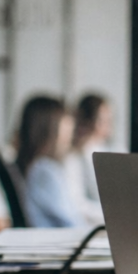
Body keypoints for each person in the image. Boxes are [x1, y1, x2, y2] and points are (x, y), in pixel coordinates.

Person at [16, 95, 84, 228]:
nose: (68, 143)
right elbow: (72, 225)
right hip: (61, 244)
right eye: (65, 137)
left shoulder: (34, 168)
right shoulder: (45, 171)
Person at [63, 92, 113, 226]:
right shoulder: (73, 158)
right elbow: (78, 204)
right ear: (88, 121)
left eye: (110, 121)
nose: (109, 128)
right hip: (92, 225)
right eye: (103, 121)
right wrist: (112, 215)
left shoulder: (111, 150)